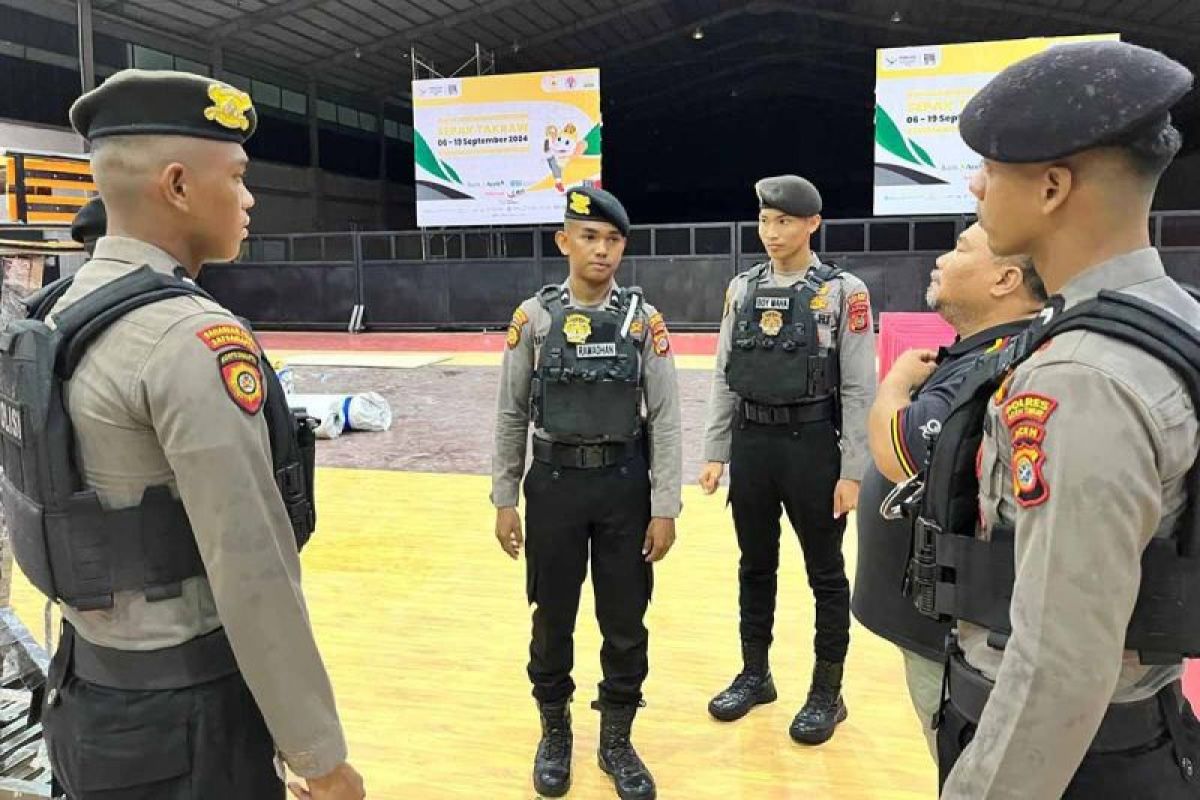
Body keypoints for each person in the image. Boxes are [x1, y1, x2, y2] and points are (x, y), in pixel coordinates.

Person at [0, 69, 363, 799]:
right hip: (187, 727)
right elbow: (251, 567)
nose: (250, 197)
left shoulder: (50, 316)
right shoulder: (190, 339)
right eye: (237, 176)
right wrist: (319, 759)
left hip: (87, 696)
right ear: (177, 186)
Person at [925, 41, 1200, 797]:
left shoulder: (1079, 377)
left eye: (991, 169)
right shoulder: (1169, 318)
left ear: (1050, 187)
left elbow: (1060, 667)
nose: (976, 186)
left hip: (1071, 764)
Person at [490, 186, 682, 800]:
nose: (602, 250)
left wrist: (665, 506)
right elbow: (510, 413)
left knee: (624, 620)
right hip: (552, 487)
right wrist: (503, 498)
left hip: (624, 486)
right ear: (564, 241)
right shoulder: (535, 318)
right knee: (553, 617)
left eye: (613, 239)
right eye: (590, 236)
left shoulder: (643, 320)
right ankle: (554, 731)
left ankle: (617, 739)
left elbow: (669, 416)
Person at [853, 222, 1044, 760]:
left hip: (954, 636)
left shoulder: (990, 365)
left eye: (959, 249)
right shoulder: (994, 351)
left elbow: (900, 454)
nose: (940, 260)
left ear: (1005, 279)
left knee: (960, 763)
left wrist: (893, 385)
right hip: (950, 621)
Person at [699, 174, 877, 745]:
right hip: (754, 442)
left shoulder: (843, 292)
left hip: (813, 447)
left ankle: (828, 690)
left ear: (811, 224)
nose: (771, 233)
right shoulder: (741, 289)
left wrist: (853, 470)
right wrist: (715, 451)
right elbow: (725, 374)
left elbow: (857, 387)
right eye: (765, 221)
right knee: (755, 565)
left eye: (783, 222)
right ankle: (756, 675)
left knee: (824, 572)